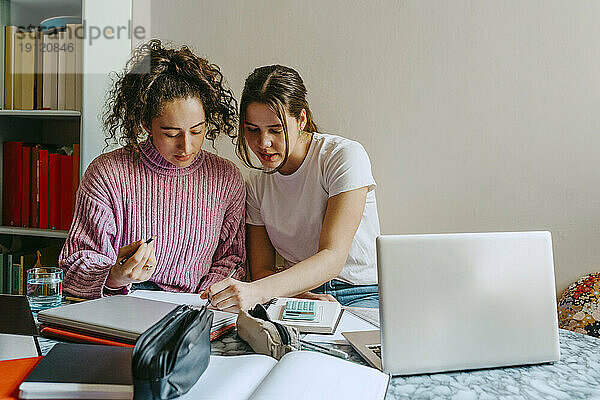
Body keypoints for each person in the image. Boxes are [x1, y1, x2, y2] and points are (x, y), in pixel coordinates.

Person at [59, 40, 245, 299]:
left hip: (195, 306)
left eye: (197, 130)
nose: (186, 146)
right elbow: (74, 265)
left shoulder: (225, 178)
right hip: (120, 304)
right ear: (146, 122)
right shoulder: (108, 173)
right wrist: (116, 275)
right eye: (171, 134)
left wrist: (201, 300)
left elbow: (232, 259)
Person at [202, 65, 380, 311]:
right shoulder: (256, 184)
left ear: (302, 120)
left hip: (360, 292)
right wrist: (297, 296)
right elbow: (261, 268)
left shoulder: (343, 156)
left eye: (276, 130)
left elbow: (332, 257)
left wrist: (256, 292)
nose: (263, 143)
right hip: (292, 293)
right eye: (252, 130)